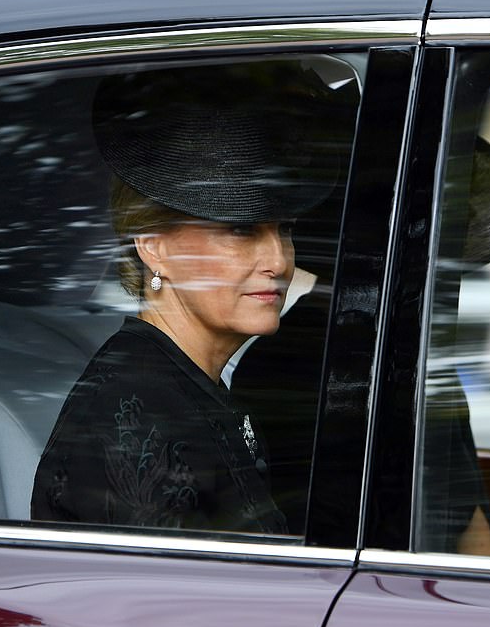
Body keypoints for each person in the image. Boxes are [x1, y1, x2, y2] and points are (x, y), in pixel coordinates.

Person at [30, 59, 357, 533]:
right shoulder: (138, 410)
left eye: (284, 229)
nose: (279, 260)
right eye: (241, 229)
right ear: (154, 246)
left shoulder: (185, 386)